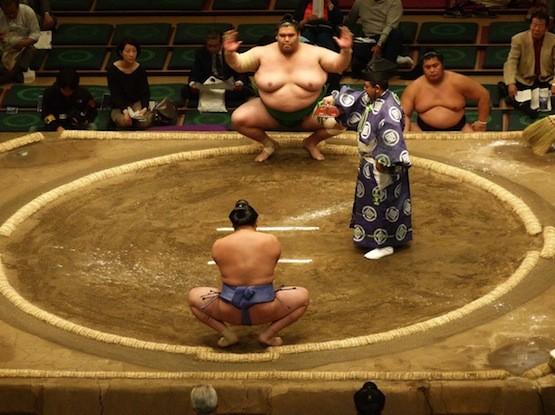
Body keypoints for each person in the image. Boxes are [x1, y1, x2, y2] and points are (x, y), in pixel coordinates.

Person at [223, 15, 352, 162]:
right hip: (269, 113)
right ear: (276, 36)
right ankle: (268, 145)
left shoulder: (316, 53)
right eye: (282, 35)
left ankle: (311, 142)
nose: (286, 39)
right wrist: (229, 53)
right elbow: (239, 65)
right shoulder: (261, 52)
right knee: (238, 119)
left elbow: (339, 66)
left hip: (312, 111)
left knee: (343, 118)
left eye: (290, 35)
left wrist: (346, 51)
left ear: (298, 35)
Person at [188, 200, 309, 347]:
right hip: (266, 309)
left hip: (228, 310)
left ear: (233, 224)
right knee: (303, 297)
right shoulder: (271, 240)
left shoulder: (219, 244)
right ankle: (268, 335)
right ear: (256, 221)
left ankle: (228, 335)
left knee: (193, 297)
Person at [324, 70, 412, 259]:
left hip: (380, 161)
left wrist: (384, 161)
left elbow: (391, 138)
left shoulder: (388, 109)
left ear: (377, 88)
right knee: (371, 200)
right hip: (369, 160)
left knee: (381, 201)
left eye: (367, 87)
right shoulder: (379, 98)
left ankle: (384, 243)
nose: (364, 90)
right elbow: (358, 98)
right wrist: (335, 100)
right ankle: (375, 239)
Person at [401, 51, 491, 132]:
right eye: (427, 67)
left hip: (460, 128)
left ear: (442, 65)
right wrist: (405, 131)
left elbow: (483, 94)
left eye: (435, 66)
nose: (432, 70)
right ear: (422, 68)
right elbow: (404, 114)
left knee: (475, 147)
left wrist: (482, 122)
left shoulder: (458, 81)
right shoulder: (414, 87)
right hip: (423, 130)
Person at [181, 31, 253, 110]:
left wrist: (239, 82)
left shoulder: (231, 51)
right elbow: (195, 71)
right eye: (209, 46)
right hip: (208, 86)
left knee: (246, 90)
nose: (212, 48)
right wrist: (193, 83)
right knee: (185, 90)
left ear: (221, 44)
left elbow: (241, 69)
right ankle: (217, 96)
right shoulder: (201, 52)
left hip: (229, 84)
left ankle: (216, 96)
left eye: (215, 46)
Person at [502, 10, 555, 117]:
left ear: (546, 27)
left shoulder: (553, 40)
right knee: (519, 99)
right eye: (534, 25)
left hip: (546, 79)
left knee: (549, 103)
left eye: (540, 26)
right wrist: (511, 83)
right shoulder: (518, 39)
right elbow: (511, 62)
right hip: (524, 79)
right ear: (530, 25)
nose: (536, 29)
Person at [344, 0, 413, 76]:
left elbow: (390, 26)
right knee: (356, 70)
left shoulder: (394, 2)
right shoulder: (360, 1)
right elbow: (350, 21)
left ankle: (389, 62)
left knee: (395, 34)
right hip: (369, 39)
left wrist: (379, 45)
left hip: (387, 38)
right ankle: (395, 59)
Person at [294, 0, 344, 92]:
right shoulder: (303, 3)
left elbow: (339, 20)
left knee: (329, 50)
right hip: (307, 27)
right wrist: (306, 20)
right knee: (305, 48)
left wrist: (329, 4)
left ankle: (332, 86)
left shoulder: (331, 3)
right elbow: (295, 23)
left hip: (326, 29)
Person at [107, 38, 153, 130]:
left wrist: (143, 109)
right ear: (121, 52)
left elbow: (145, 92)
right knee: (125, 122)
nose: (131, 54)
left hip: (136, 103)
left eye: (134, 51)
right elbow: (115, 94)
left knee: (143, 122)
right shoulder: (113, 70)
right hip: (119, 106)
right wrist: (125, 111)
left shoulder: (140, 69)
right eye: (127, 51)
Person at [41, 67, 97, 132]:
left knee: (92, 127)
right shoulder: (50, 93)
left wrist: (86, 120)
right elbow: (45, 115)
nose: (67, 93)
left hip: (78, 126)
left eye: (70, 91)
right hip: (56, 126)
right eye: (65, 90)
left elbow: (93, 111)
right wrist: (57, 127)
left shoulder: (84, 93)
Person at [0, 0, 39, 84]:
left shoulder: (27, 11)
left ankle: (11, 75)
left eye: (13, 13)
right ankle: (13, 74)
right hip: (5, 47)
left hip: (24, 46)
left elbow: (35, 35)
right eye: (7, 14)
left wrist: (23, 43)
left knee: (31, 51)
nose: (11, 15)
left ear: (18, 6)